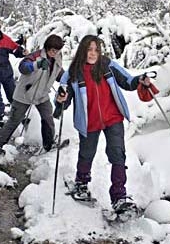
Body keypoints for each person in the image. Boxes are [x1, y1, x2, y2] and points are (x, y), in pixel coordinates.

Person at [55, 35, 159, 214]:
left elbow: (128, 81)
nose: (93, 53)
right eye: (89, 49)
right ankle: (81, 182)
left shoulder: (107, 65)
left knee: (117, 154)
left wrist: (140, 80)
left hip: (113, 118)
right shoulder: (72, 73)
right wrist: (60, 98)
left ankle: (119, 196)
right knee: (87, 153)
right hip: (89, 121)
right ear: (82, 50)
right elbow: (64, 99)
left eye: (96, 49)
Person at [0, 34, 65, 152]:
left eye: (57, 51)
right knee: (14, 120)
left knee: (48, 118)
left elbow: (59, 73)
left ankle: (49, 144)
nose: (54, 53)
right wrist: (37, 64)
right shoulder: (36, 56)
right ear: (47, 47)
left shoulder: (57, 59)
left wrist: (68, 80)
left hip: (42, 95)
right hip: (24, 94)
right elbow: (23, 67)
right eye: (52, 50)